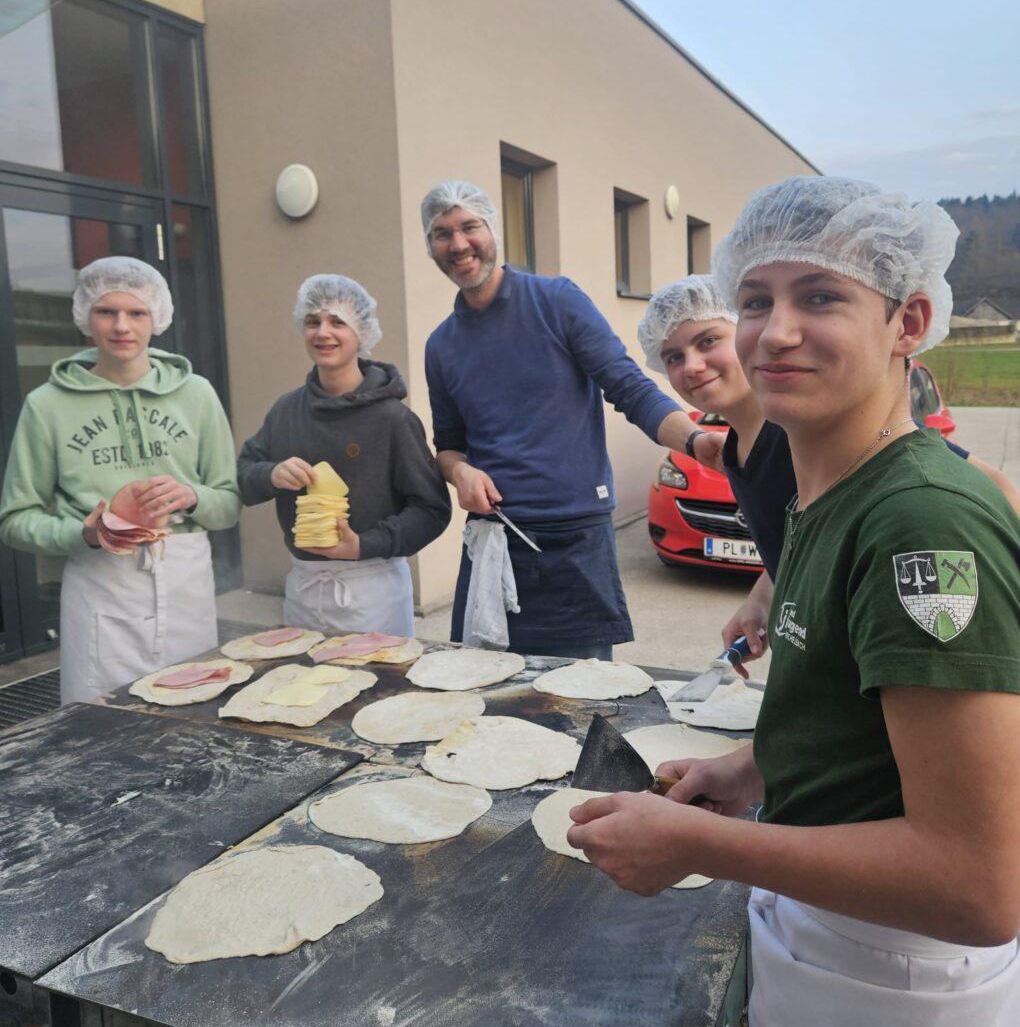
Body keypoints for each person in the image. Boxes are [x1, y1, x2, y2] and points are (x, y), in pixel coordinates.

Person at [568, 177, 1020, 1027]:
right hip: (831, 958)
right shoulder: (825, 493)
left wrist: (698, 845)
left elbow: (980, 886)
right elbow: (853, 703)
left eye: (822, 298)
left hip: (902, 1005)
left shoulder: (920, 526)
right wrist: (749, 768)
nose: (774, 332)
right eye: (757, 299)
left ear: (913, 320)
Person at [637, 272, 1020, 669]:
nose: (693, 366)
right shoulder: (731, 448)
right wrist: (763, 598)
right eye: (674, 358)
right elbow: (803, 535)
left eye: (708, 341)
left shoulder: (805, 432)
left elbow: (994, 488)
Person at [422, 180, 722, 659]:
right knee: (489, 699)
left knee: (582, 705)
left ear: (492, 230)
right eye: (442, 233)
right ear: (431, 247)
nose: (458, 244)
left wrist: (696, 441)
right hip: (492, 540)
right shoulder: (441, 346)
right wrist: (460, 472)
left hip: (575, 540)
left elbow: (628, 387)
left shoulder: (557, 301)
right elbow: (448, 445)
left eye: (468, 227)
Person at [0, 257, 240, 704]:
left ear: (158, 318)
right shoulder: (46, 405)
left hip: (186, 578)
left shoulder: (197, 394)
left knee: (194, 717)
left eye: (137, 313)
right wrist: (85, 533)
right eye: (106, 311)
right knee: (101, 723)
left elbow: (227, 505)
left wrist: (192, 495)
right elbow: (15, 519)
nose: (121, 326)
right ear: (85, 318)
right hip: (99, 584)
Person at [237, 275, 450, 636]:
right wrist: (271, 474)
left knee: (377, 690)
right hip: (304, 589)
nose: (323, 332)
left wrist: (363, 544)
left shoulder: (392, 420)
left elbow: (432, 510)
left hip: (373, 593)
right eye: (313, 321)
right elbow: (243, 477)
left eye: (338, 322)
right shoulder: (286, 411)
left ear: (362, 332)